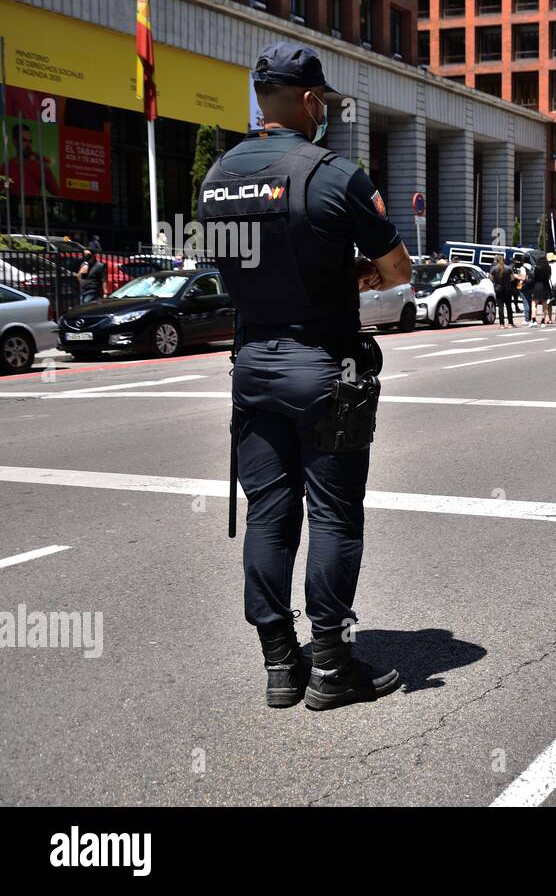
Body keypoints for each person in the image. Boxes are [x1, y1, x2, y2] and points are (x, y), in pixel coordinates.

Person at [198, 42, 410, 711]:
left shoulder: (217, 179)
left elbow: (235, 268)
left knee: (269, 514)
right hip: (324, 367)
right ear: (311, 101)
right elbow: (398, 270)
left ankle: (279, 666)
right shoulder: (334, 174)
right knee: (335, 517)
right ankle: (331, 665)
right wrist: (346, 273)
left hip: (252, 365)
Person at [490, 255, 515, 328]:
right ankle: (510, 323)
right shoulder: (508, 268)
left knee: (500, 307)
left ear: (496, 260)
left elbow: (491, 278)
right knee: (508, 306)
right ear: (503, 260)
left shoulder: (494, 268)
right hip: (507, 289)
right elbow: (512, 278)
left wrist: (496, 282)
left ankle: (502, 324)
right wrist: (507, 281)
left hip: (498, 289)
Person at [530, 252, 554, 326]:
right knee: (544, 304)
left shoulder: (537, 267)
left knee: (534, 303)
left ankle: (534, 320)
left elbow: (534, 277)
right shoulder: (548, 267)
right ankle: (543, 321)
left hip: (537, 285)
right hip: (545, 285)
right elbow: (549, 277)